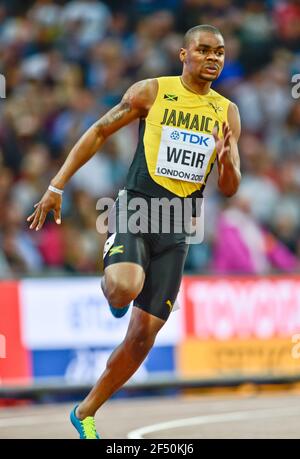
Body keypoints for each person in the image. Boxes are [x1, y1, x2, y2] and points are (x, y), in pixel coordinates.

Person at [27, 24, 241, 439]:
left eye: (219, 52)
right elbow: (99, 131)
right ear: (184, 54)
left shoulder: (227, 111)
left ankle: (85, 412)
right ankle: (117, 293)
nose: (213, 58)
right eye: (204, 50)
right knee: (125, 286)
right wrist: (56, 186)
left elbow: (230, 188)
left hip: (177, 227)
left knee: (143, 336)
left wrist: (226, 158)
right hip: (137, 211)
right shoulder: (152, 91)